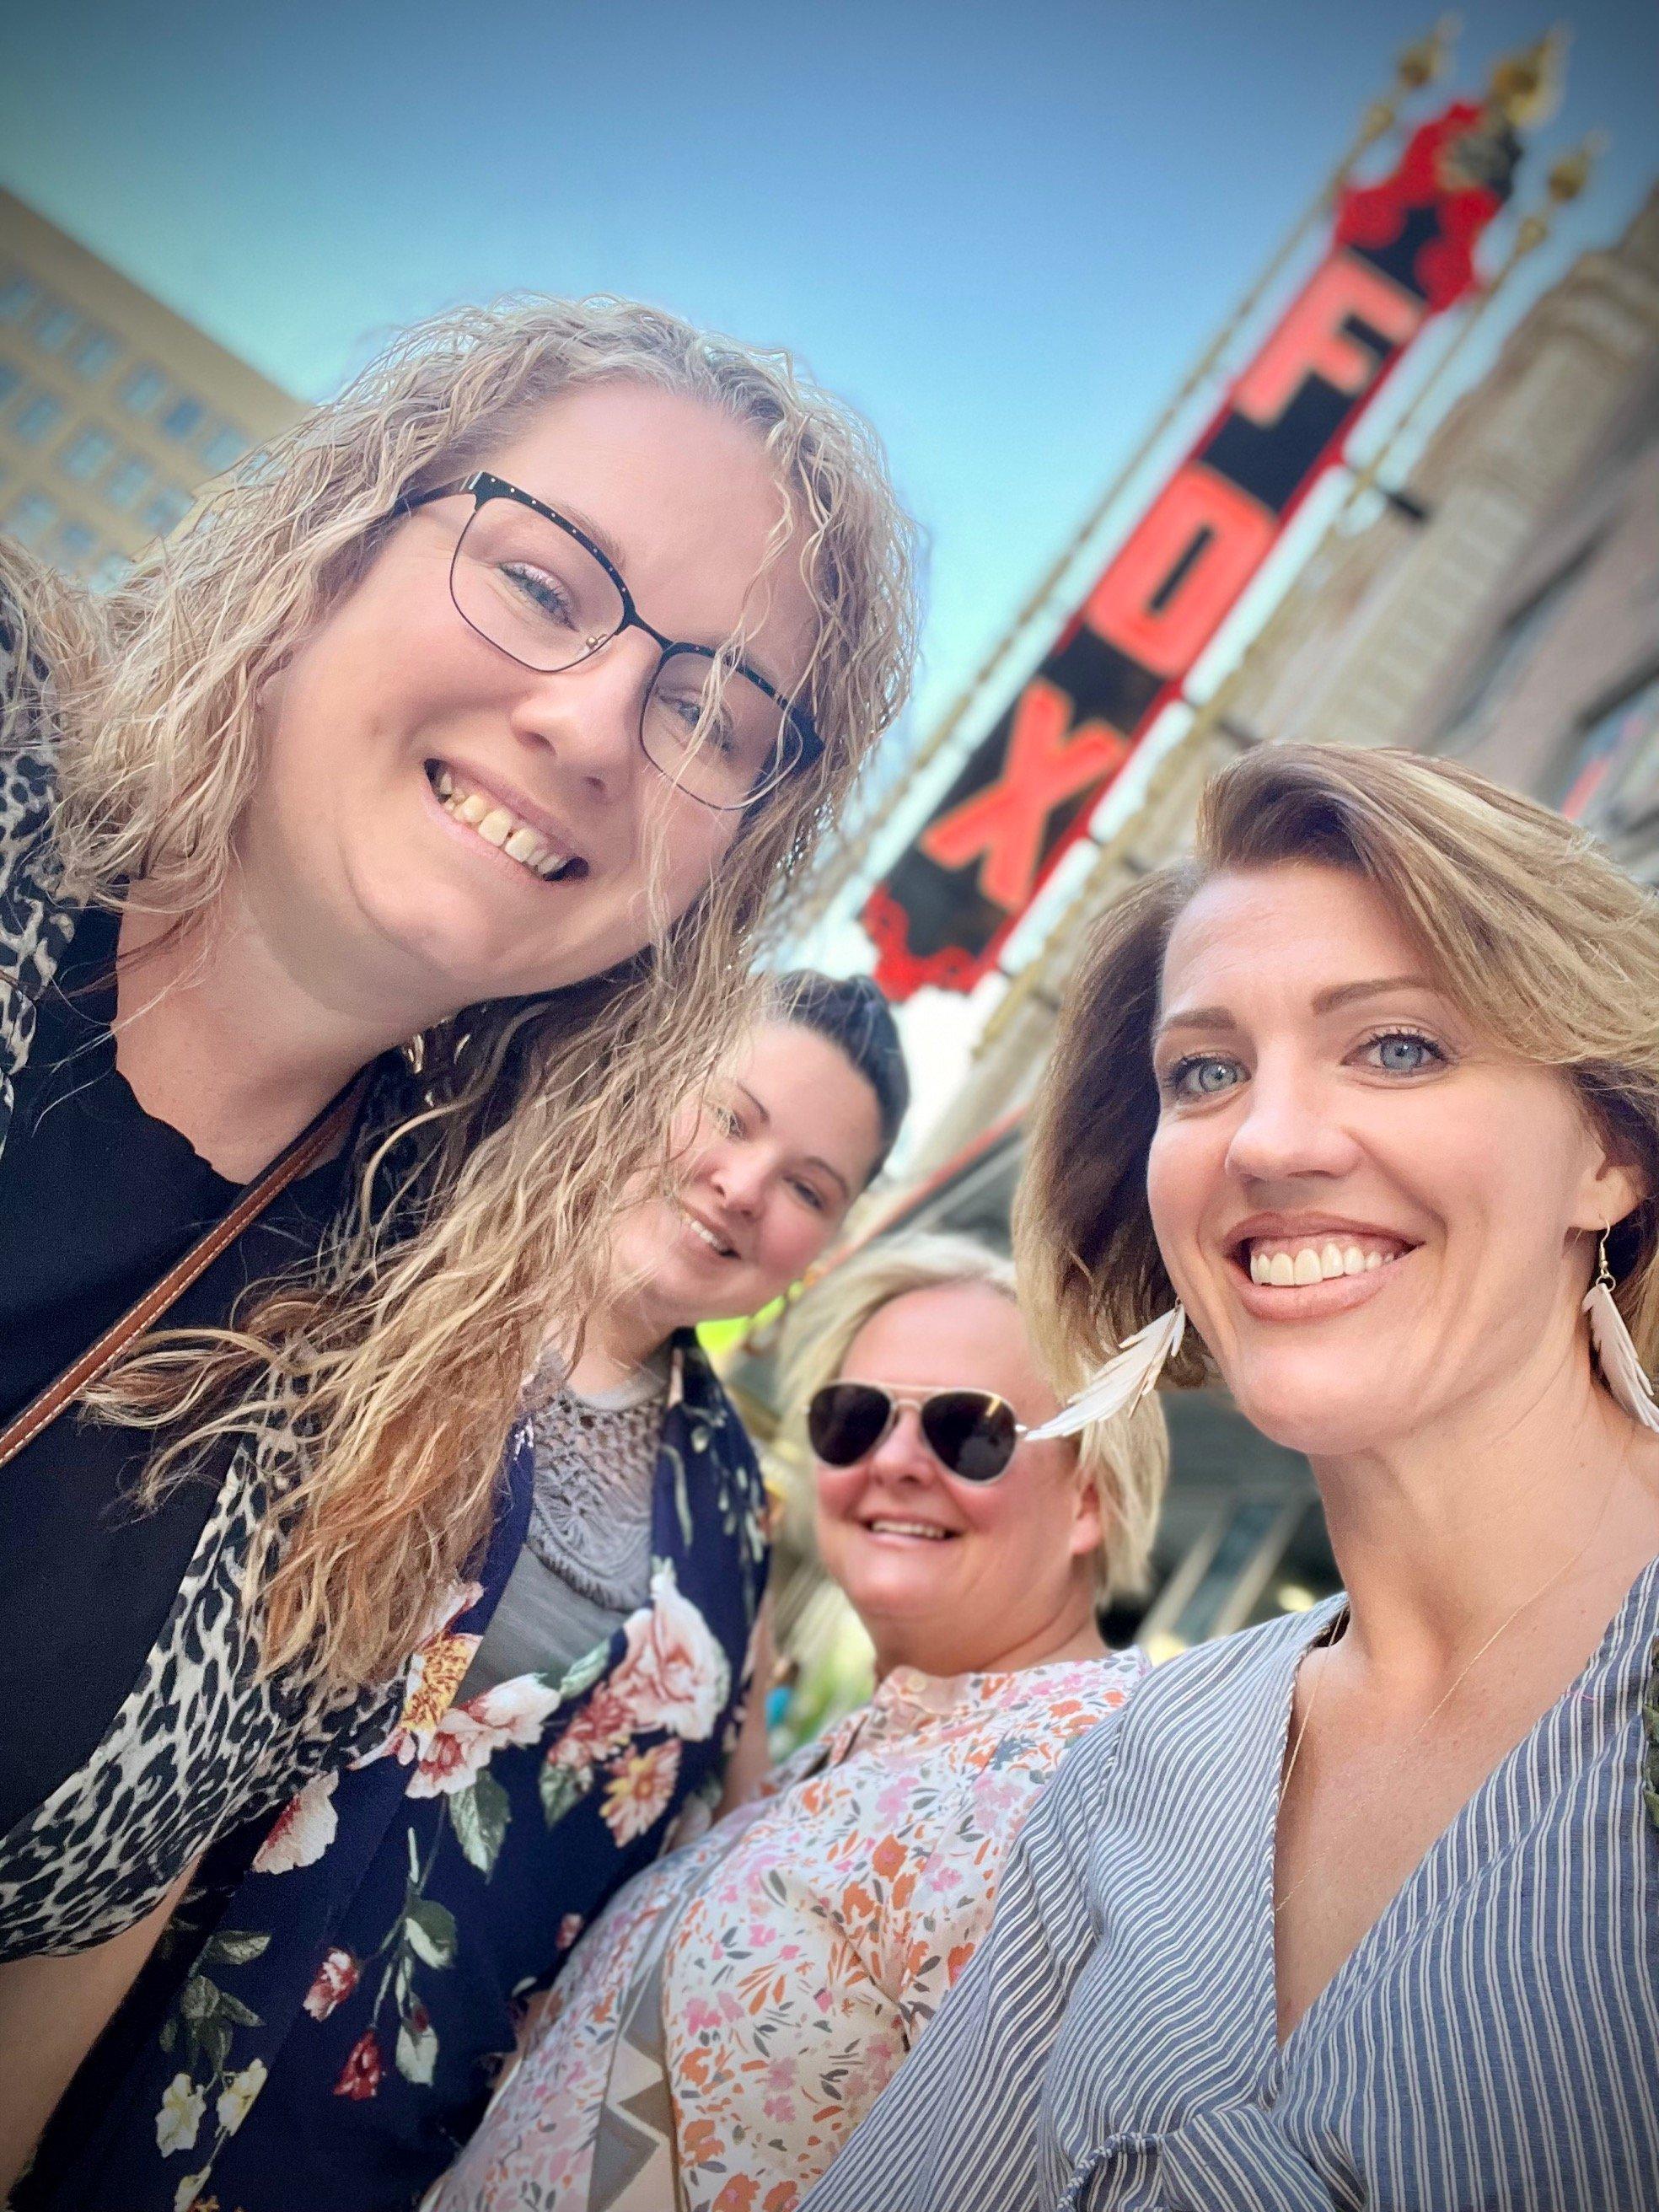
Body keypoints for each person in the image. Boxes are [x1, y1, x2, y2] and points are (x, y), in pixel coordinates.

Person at [0, 297, 917, 2182]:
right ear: (341, 530)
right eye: (540, 578)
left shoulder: (404, 1383)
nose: (590, 721)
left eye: (709, 717)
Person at [801, 745, 1659, 2212]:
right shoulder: (1144, 1763)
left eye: (1395, 1044)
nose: (1264, 1141)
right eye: (1202, 1071)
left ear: (1607, 1150)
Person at [18, 970, 909, 2210]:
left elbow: (702, 1853)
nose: (744, 1186)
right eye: (729, 1114)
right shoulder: (379, 1273)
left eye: (810, 1186)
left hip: (381, 2162)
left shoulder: (732, 1514)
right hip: (80, 2036)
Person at [432, 1232, 1168, 2212]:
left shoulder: (1109, 1782)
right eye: (854, 1417)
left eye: (970, 1430)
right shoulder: (863, 1747)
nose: (896, 1460)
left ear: (1089, 1497)